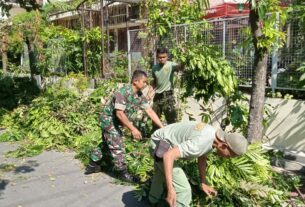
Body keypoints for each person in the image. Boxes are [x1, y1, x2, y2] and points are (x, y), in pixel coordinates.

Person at [85, 70, 163, 182]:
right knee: (117, 145)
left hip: (118, 122)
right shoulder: (122, 92)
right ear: (135, 81)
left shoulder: (139, 95)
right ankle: (123, 173)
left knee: (108, 144)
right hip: (109, 121)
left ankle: (92, 165)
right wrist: (133, 129)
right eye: (144, 82)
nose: (146, 84)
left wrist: (162, 126)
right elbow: (119, 113)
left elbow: (149, 111)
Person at [148, 121, 248, 207]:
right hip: (160, 146)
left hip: (161, 140)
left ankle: (152, 200)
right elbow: (168, 156)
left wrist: (203, 182)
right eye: (229, 156)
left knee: (161, 174)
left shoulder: (213, 137)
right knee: (184, 189)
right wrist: (170, 189)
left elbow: (202, 157)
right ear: (223, 145)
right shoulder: (200, 142)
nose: (227, 158)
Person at [148, 47, 182, 130]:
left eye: (164, 57)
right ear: (157, 57)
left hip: (168, 96)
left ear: (167, 57)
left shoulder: (171, 65)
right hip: (157, 97)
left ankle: (173, 139)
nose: (162, 59)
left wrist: (183, 58)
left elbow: (180, 67)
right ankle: (156, 139)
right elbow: (155, 81)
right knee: (155, 120)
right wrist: (149, 92)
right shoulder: (154, 68)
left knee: (171, 120)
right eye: (160, 57)